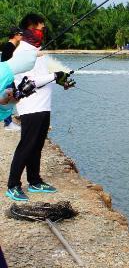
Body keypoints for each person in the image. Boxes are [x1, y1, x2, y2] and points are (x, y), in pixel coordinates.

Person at [6, 13, 74, 202]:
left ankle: (34, 181)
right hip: (31, 106)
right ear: (30, 29)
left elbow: (44, 75)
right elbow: (30, 81)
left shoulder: (37, 51)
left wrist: (61, 80)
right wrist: (54, 76)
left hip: (43, 106)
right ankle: (13, 185)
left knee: (37, 145)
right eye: (41, 28)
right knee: (26, 146)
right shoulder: (22, 52)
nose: (43, 32)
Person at [1, 27, 23, 131]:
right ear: (15, 35)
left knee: (12, 97)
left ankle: (9, 122)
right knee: (9, 97)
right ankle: (8, 123)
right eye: (20, 33)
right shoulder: (9, 47)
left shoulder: (12, 46)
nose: (22, 35)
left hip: (9, 76)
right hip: (7, 77)